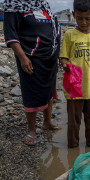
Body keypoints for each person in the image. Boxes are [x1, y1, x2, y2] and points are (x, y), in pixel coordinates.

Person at [3, 0, 61, 146]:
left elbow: (54, 30)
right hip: (31, 59)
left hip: (50, 59)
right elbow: (11, 34)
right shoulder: (14, 6)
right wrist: (22, 57)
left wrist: (58, 54)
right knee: (31, 92)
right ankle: (31, 130)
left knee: (49, 90)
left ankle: (47, 122)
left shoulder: (43, 5)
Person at [59, 0, 90, 148]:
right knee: (74, 122)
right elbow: (64, 57)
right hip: (75, 88)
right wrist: (64, 64)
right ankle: (73, 149)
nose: (83, 22)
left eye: (87, 19)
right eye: (79, 18)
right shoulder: (70, 34)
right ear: (74, 14)